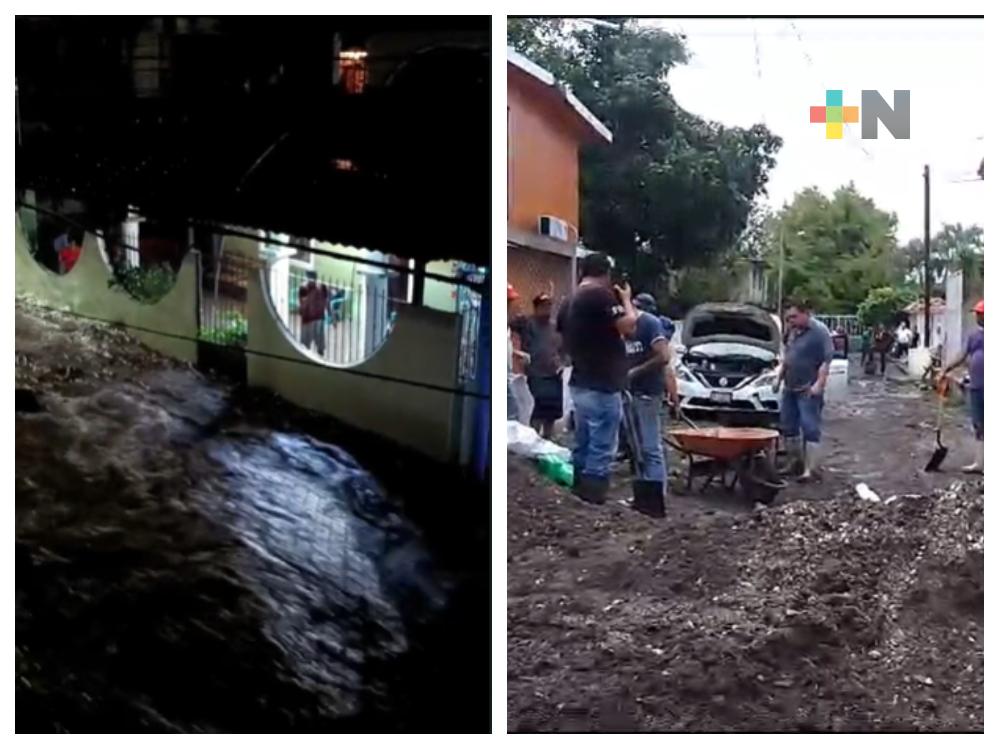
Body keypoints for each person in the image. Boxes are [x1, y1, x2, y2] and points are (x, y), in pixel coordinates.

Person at [557, 252, 638, 504]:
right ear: (606, 273)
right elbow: (628, 326)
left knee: (583, 440)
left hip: (579, 381)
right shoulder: (600, 295)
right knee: (602, 444)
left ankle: (577, 491)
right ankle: (593, 497)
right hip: (602, 383)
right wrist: (626, 301)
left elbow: (560, 336)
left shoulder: (569, 300)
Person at [775, 300, 834, 481]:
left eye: (794, 316)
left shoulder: (819, 332)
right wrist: (779, 378)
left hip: (807, 388)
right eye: (788, 318)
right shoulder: (793, 332)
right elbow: (788, 357)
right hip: (790, 387)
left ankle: (811, 469)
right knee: (788, 425)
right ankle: (795, 463)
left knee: (809, 426)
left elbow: (826, 360)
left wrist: (819, 384)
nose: (790, 320)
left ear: (805, 314)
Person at [624, 294, 671, 492]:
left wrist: (635, 371)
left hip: (648, 392)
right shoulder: (624, 326)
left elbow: (664, 356)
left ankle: (657, 493)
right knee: (637, 447)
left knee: (650, 446)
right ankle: (644, 493)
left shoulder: (649, 324)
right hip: (630, 392)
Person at [941, 299, 984, 473]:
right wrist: (946, 369)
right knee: (979, 426)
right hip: (976, 387)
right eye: (978, 314)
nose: (978, 317)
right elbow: (961, 355)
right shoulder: (974, 336)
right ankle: (980, 463)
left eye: (981, 314)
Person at [521, 287, 563, 439]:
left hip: (553, 375)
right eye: (544, 306)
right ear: (536, 307)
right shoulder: (528, 324)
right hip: (537, 374)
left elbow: (563, 348)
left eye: (549, 305)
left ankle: (548, 438)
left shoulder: (554, 327)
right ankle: (534, 439)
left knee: (551, 413)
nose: (548, 309)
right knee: (537, 411)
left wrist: (562, 362)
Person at [298, 271, 330, 357]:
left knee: (315, 343)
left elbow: (326, 301)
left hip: (314, 318)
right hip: (312, 318)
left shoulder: (321, 287)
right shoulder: (304, 288)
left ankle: (317, 356)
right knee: (307, 344)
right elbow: (302, 303)